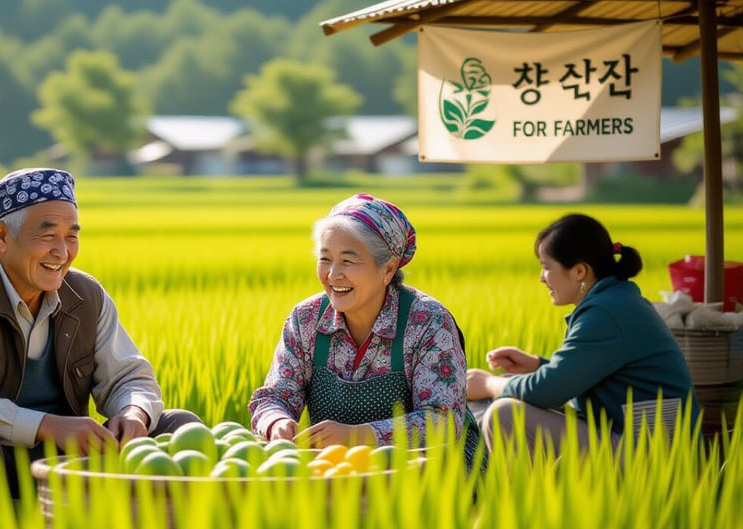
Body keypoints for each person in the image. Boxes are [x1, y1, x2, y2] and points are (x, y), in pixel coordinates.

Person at [0, 168, 201, 494]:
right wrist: (47, 426)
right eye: (47, 235)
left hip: (55, 456)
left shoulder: (85, 296)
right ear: (2, 236)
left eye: (72, 236)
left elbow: (129, 377)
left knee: (177, 425)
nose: (63, 252)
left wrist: (133, 411)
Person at [248, 193, 482, 468]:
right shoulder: (306, 319)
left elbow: (442, 421)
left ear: (388, 269)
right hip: (341, 469)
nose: (333, 274)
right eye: (325, 259)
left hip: (431, 470)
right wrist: (277, 422)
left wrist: (359, 436)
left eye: (348, 261)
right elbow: (275, 396)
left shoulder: (427, 321)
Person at [466, 213, 700, 455]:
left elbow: (549, 390)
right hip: (637, 440)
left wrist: (489, 383)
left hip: (651, 455)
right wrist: (536, 365)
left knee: (505, 414)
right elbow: (583, 377)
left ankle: (518, 492)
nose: (541, 278)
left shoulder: (606, 312)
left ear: (579, 271)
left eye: (546, 267)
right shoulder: (617, 301)